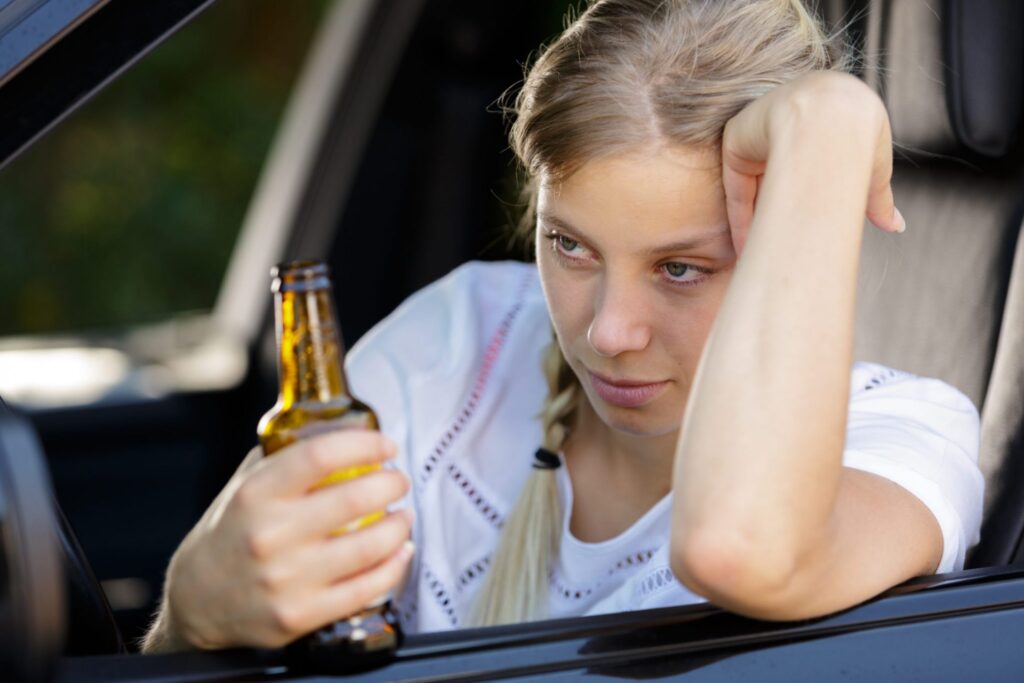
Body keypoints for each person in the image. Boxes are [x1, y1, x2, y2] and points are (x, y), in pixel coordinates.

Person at [141, 0, 984, 652]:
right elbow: (207, 632)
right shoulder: (460, 333)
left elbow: (741, 550)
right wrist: (192, 613)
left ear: (782, 247)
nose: (609, 331)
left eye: (681, 267)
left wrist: (826, 124)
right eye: (570, 246)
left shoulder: (903, 436)